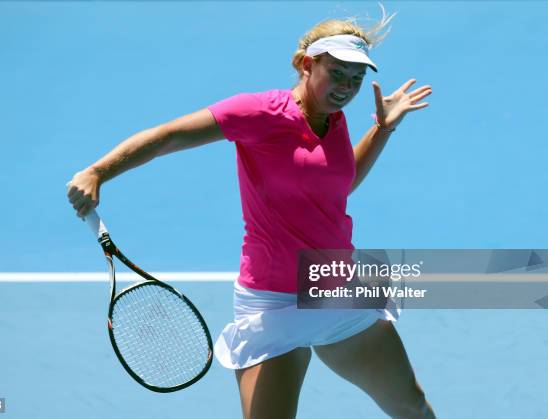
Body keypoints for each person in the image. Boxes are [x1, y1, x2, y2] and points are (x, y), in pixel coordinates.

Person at [67, 7, 434, 419]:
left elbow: (338, 187)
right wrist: (99, 171)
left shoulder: (334, 118)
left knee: (413, 410)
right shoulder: (258, 113)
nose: (347, 87)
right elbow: (167, 137)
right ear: (305, 65)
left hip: (335, 292)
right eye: (337, 72)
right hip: (272, 304)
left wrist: (382, 128)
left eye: (357, 78)